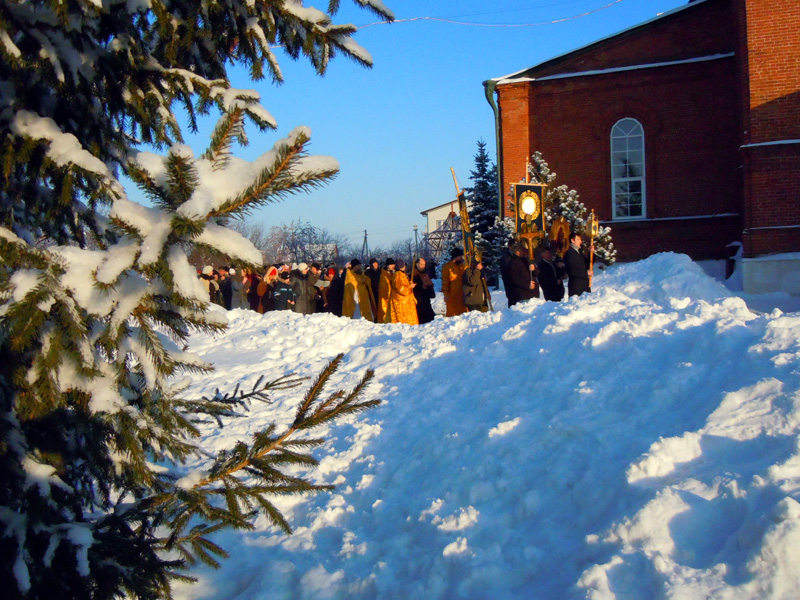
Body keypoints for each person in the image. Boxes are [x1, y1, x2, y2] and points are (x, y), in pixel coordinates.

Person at [505, 242, 539, 307]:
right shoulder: (513, 263)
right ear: (517, 252)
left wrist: (534, 268)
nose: (525, 252)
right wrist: (527, 284)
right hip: (523, 295)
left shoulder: (527, 260)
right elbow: (515, 278)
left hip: (533, 293)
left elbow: (537, 273)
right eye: (523, 250)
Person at [389, 258, 418, 325]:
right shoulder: (399, 275)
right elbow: (401, 290)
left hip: (404, 304)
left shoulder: (399, 274)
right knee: (405, 324)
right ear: (403, 266)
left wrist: (409, 283)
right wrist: (410, 286)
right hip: (403, 305)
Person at [564, 232, 593, 297]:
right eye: (578, 239)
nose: (580, 241)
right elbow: (572, 271)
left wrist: (591, 253)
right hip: (576, 286)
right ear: (572, 240)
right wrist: (586, 273)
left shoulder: (579, 252)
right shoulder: (569, 254)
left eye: (580, 239)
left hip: (584, 284)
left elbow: (587, 264)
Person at [441, 247, 468, 317]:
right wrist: (446, 294)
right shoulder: (447, 267)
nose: (461, 258)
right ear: (455, 257)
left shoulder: (464, 266)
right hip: (452, 296)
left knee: (464, 315)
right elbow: (445, 282)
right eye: (460, 256)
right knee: (452, 315)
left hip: (463, 295)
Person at [412, 257, 435, 324]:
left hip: (426, 300)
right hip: (419, 301)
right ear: (417, 264)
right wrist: (421, 286)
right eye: (422, 264)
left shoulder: (425, 274)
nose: (423, 266)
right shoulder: (413, 275)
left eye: (424, 264)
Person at [377, 258, 395, 323]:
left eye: (393, 264)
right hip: (385, 297)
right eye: (391, 264)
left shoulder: (393, 273)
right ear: (387, 265)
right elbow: (383, 287)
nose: (393, 266)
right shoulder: (383, 274)